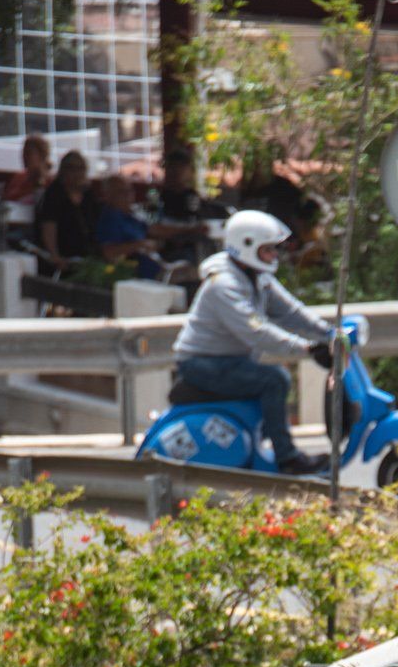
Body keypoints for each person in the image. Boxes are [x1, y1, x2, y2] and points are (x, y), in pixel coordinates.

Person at [172, 210, 335, 478]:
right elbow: (256, 332)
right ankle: (287, 458)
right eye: (268, 249)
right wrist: (306, 349)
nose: (274, 256)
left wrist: (328, 332)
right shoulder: (223, 284)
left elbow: (291, 312)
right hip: (201, 363)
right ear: (246, 245)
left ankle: (266, 450)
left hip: (227, 360)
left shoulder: (257, 277)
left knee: (271, 378)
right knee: (275, 379)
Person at [35, 150, 98, 270]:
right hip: (63, 256)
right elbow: (49, 227)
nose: (78, 174)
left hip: (87, 256)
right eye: (73, 169)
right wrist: (55, 255)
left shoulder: (88, 194)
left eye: (81, 169)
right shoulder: (54, 194)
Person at [95, 172, 163, 277]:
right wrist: (141, 245)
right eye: (121, 192)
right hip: (133, 275)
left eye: (130, 190)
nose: (128, 195)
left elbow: (154, 230)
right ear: (107, 195)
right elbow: (109, 253)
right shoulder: (110, 218)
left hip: (156, 265)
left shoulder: (132, 214)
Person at [3, 133, 51, 204]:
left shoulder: (50, 182)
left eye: (28, 153)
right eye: (23, 152)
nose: (23, 156)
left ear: (42, 156)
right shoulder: (19, 177)